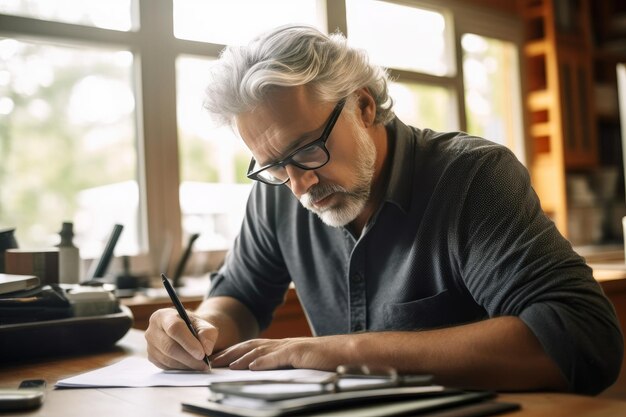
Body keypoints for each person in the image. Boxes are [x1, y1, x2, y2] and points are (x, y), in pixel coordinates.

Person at [145, 25, 623, 395]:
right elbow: (241, 297)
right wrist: (198, 331)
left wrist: (342, 351)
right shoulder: (277, 192)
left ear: (364, 106)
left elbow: (584, 338)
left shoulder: (471, 177)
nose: (299, 184)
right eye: (273, 166)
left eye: (309, 150)